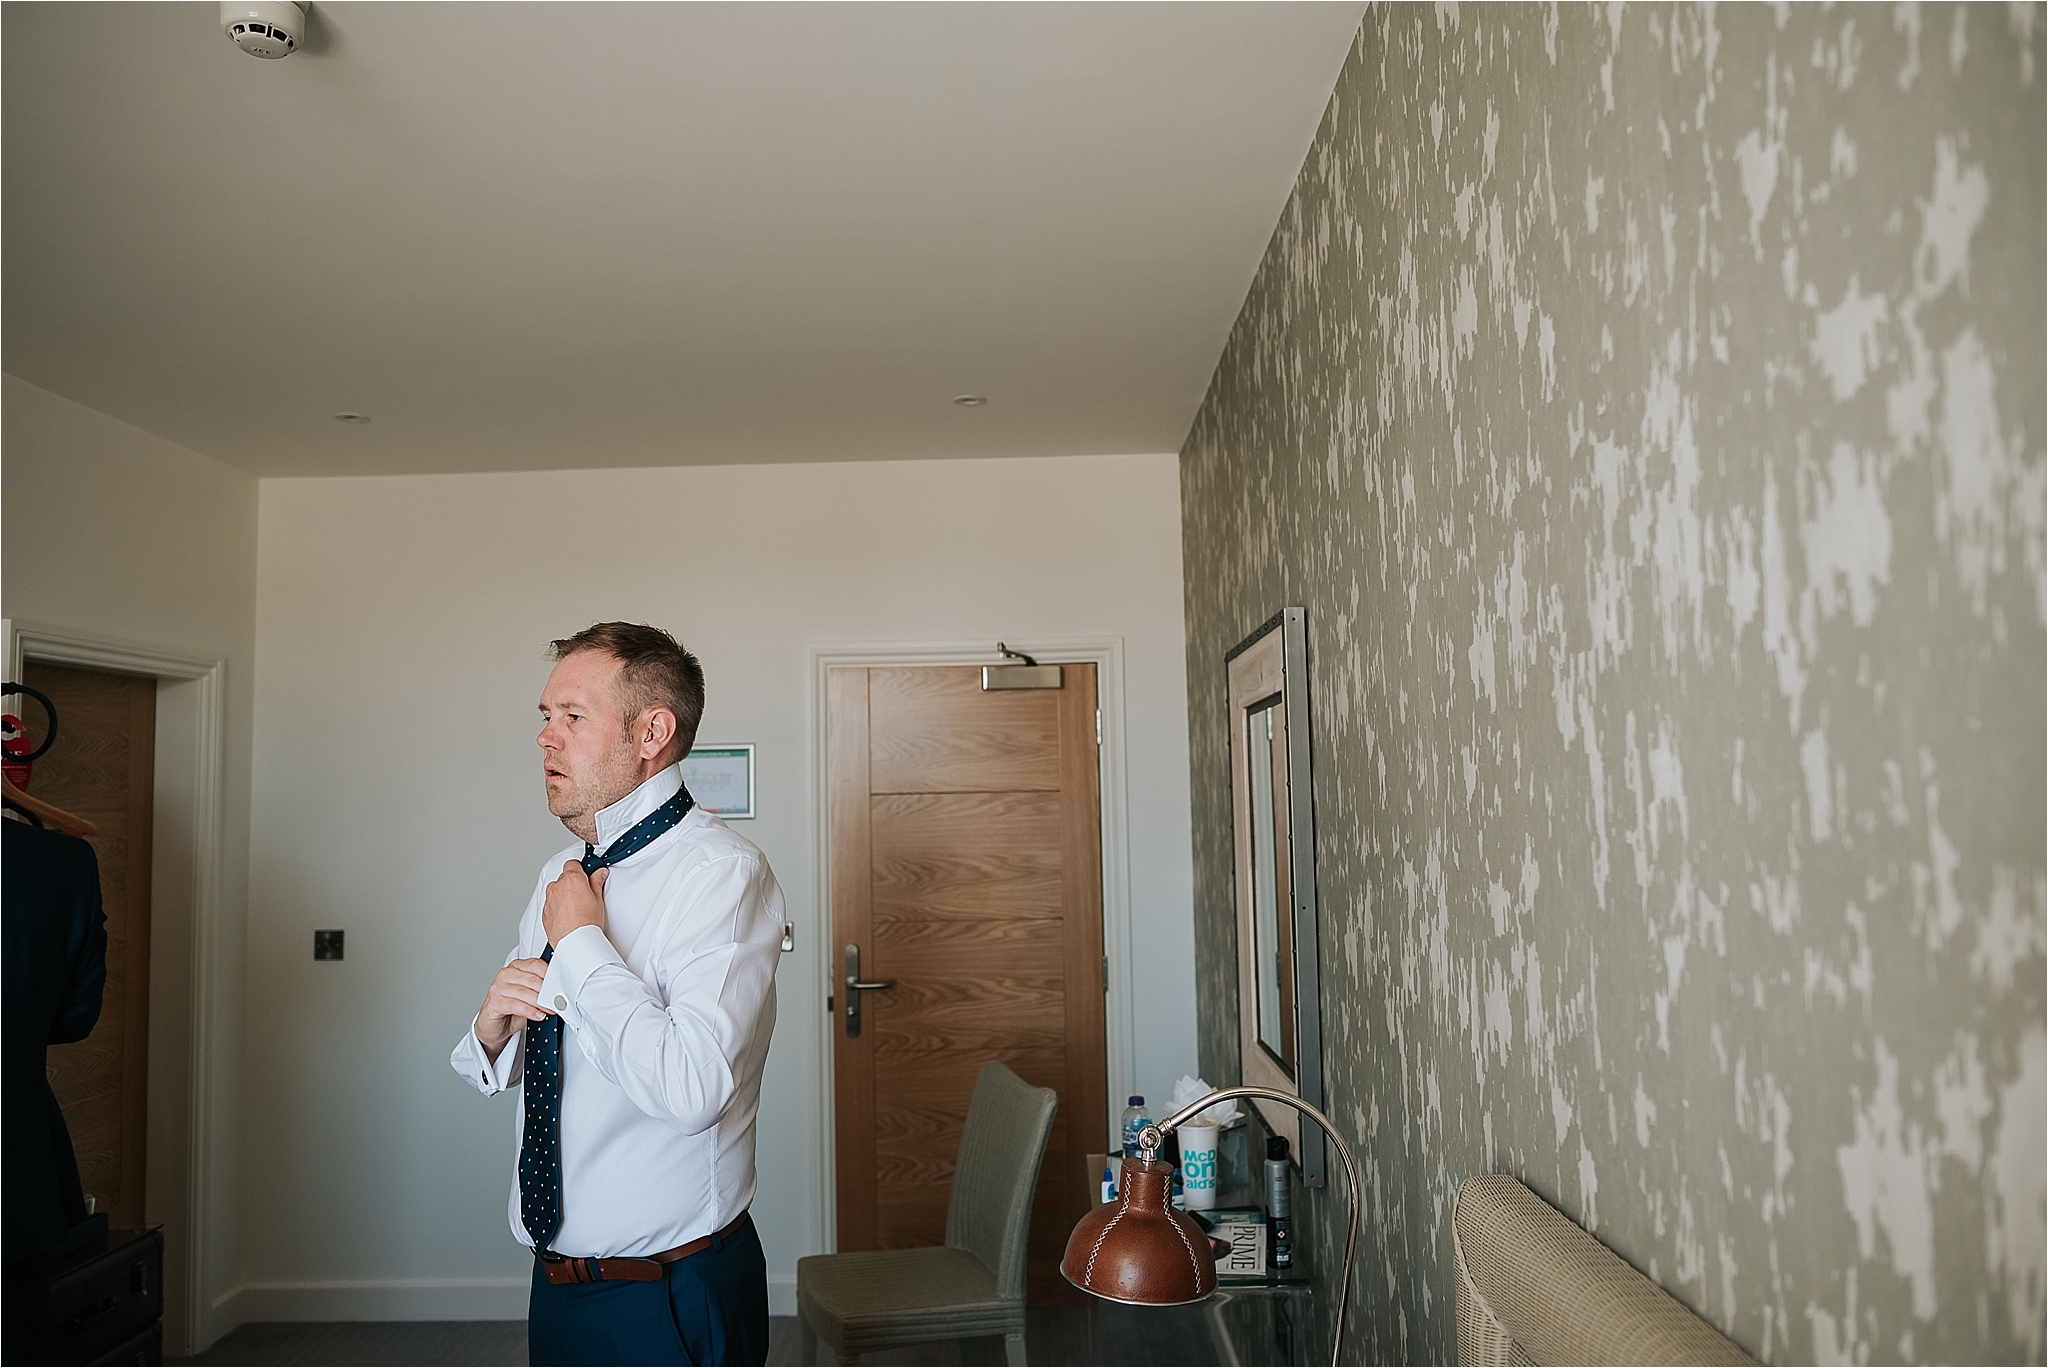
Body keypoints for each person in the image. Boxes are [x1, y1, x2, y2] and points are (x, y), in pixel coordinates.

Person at [451, 623, 782, 1366]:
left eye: (572, 717)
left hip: (669, 1294)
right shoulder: (561, 873)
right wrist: (491, 1033)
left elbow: (693, 1090)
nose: (545, 739)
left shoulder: (722, 875)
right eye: (544, 717)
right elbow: (536, 1052)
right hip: (558, 1285)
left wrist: (581, 946)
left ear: (651, 732)